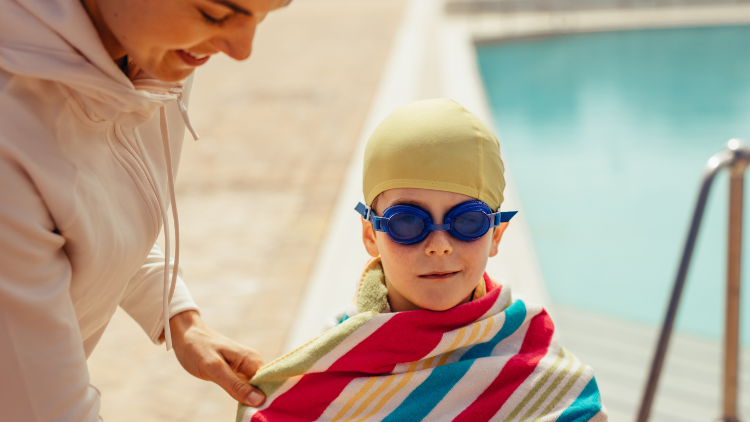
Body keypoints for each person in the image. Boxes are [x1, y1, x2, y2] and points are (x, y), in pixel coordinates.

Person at [0, 0, 291, 420]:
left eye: (266, 13)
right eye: (214, 13)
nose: (242, 48)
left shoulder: (149, 50)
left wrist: (179, 317)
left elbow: (92, 207)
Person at [236, 99, 607, 422]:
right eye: (408, 223)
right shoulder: (326, 373)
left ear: (495, 235)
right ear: (371, 235)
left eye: (468, 221)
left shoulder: (544, 378)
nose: (439, 245)